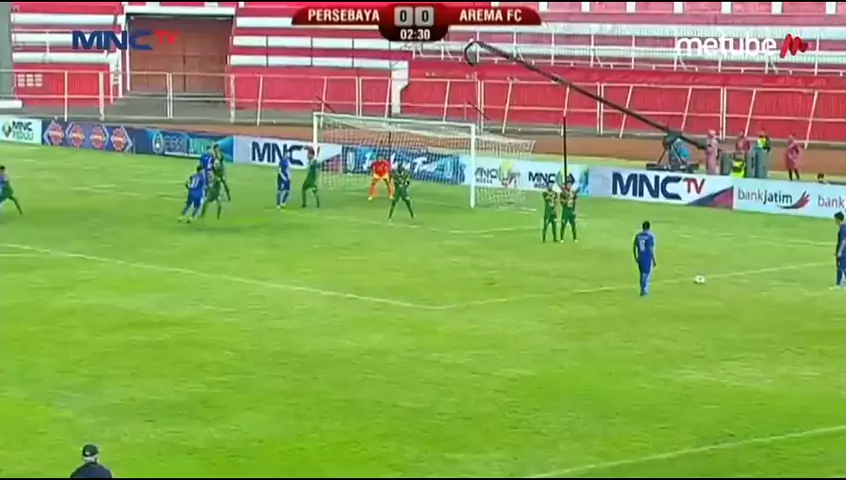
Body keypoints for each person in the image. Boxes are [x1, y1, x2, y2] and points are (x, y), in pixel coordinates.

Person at [633, 221, 657, 297]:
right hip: (647, 257)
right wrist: (653, 259)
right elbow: (650, 248)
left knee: (641, 274)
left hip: (640, 256)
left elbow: (634, 247)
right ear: (649, 227)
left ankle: (642, 289)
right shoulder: (649, 237)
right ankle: (643, 290)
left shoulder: (638, 236)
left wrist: (635, 257)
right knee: (646, 274)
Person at [558, 177, 578, 243]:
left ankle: (575, 238)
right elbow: (561, 202)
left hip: (571, 210)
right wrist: (566, 200)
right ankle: (561, 238)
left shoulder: (573, 192)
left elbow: (575, 201)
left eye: (570, 184)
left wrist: (574, 210)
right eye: (568, 184)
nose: (569, 185)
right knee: (563, 224)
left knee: (573, 225)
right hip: (565, 210)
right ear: (566, 185)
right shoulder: (563, 193)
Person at [835, 212, 846, 288]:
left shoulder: (843, 228)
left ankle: (839, 283)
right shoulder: (843, 227)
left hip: (843, 252)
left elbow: (844, 241)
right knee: (842, 267)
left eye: (835, 219)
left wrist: (839, 252)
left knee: (841, 267)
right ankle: (839, 282)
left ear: (838, 219)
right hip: (843, 251)